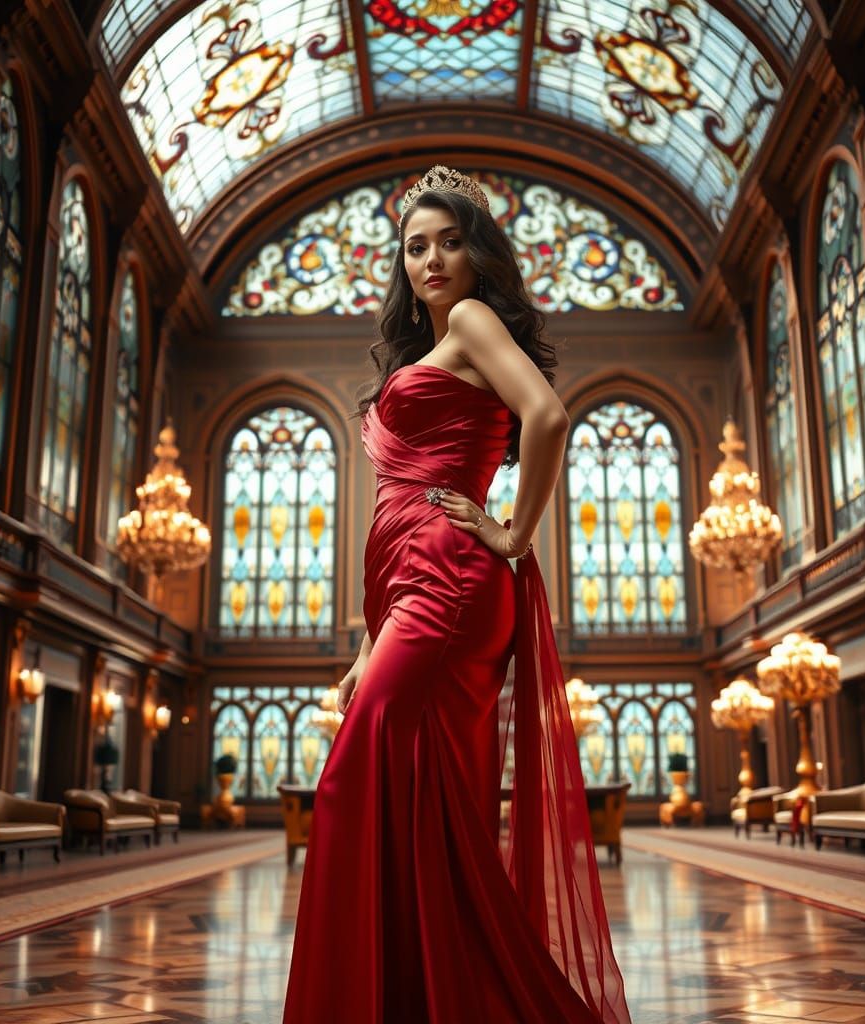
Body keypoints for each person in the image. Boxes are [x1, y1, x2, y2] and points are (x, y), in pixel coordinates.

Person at [282, 166, 630, 1024]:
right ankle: (429, 998)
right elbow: (389, 508)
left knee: (348, 787)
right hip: (410, 590)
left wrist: (515, 533)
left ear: (478, 256)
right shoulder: (422, 351)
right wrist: (368, 644)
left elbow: (546, 417)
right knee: (418, 801)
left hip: (455, 581)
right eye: (414, 245)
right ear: (399, 261)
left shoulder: (473, 321)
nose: (431, 259)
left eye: (449, 241)